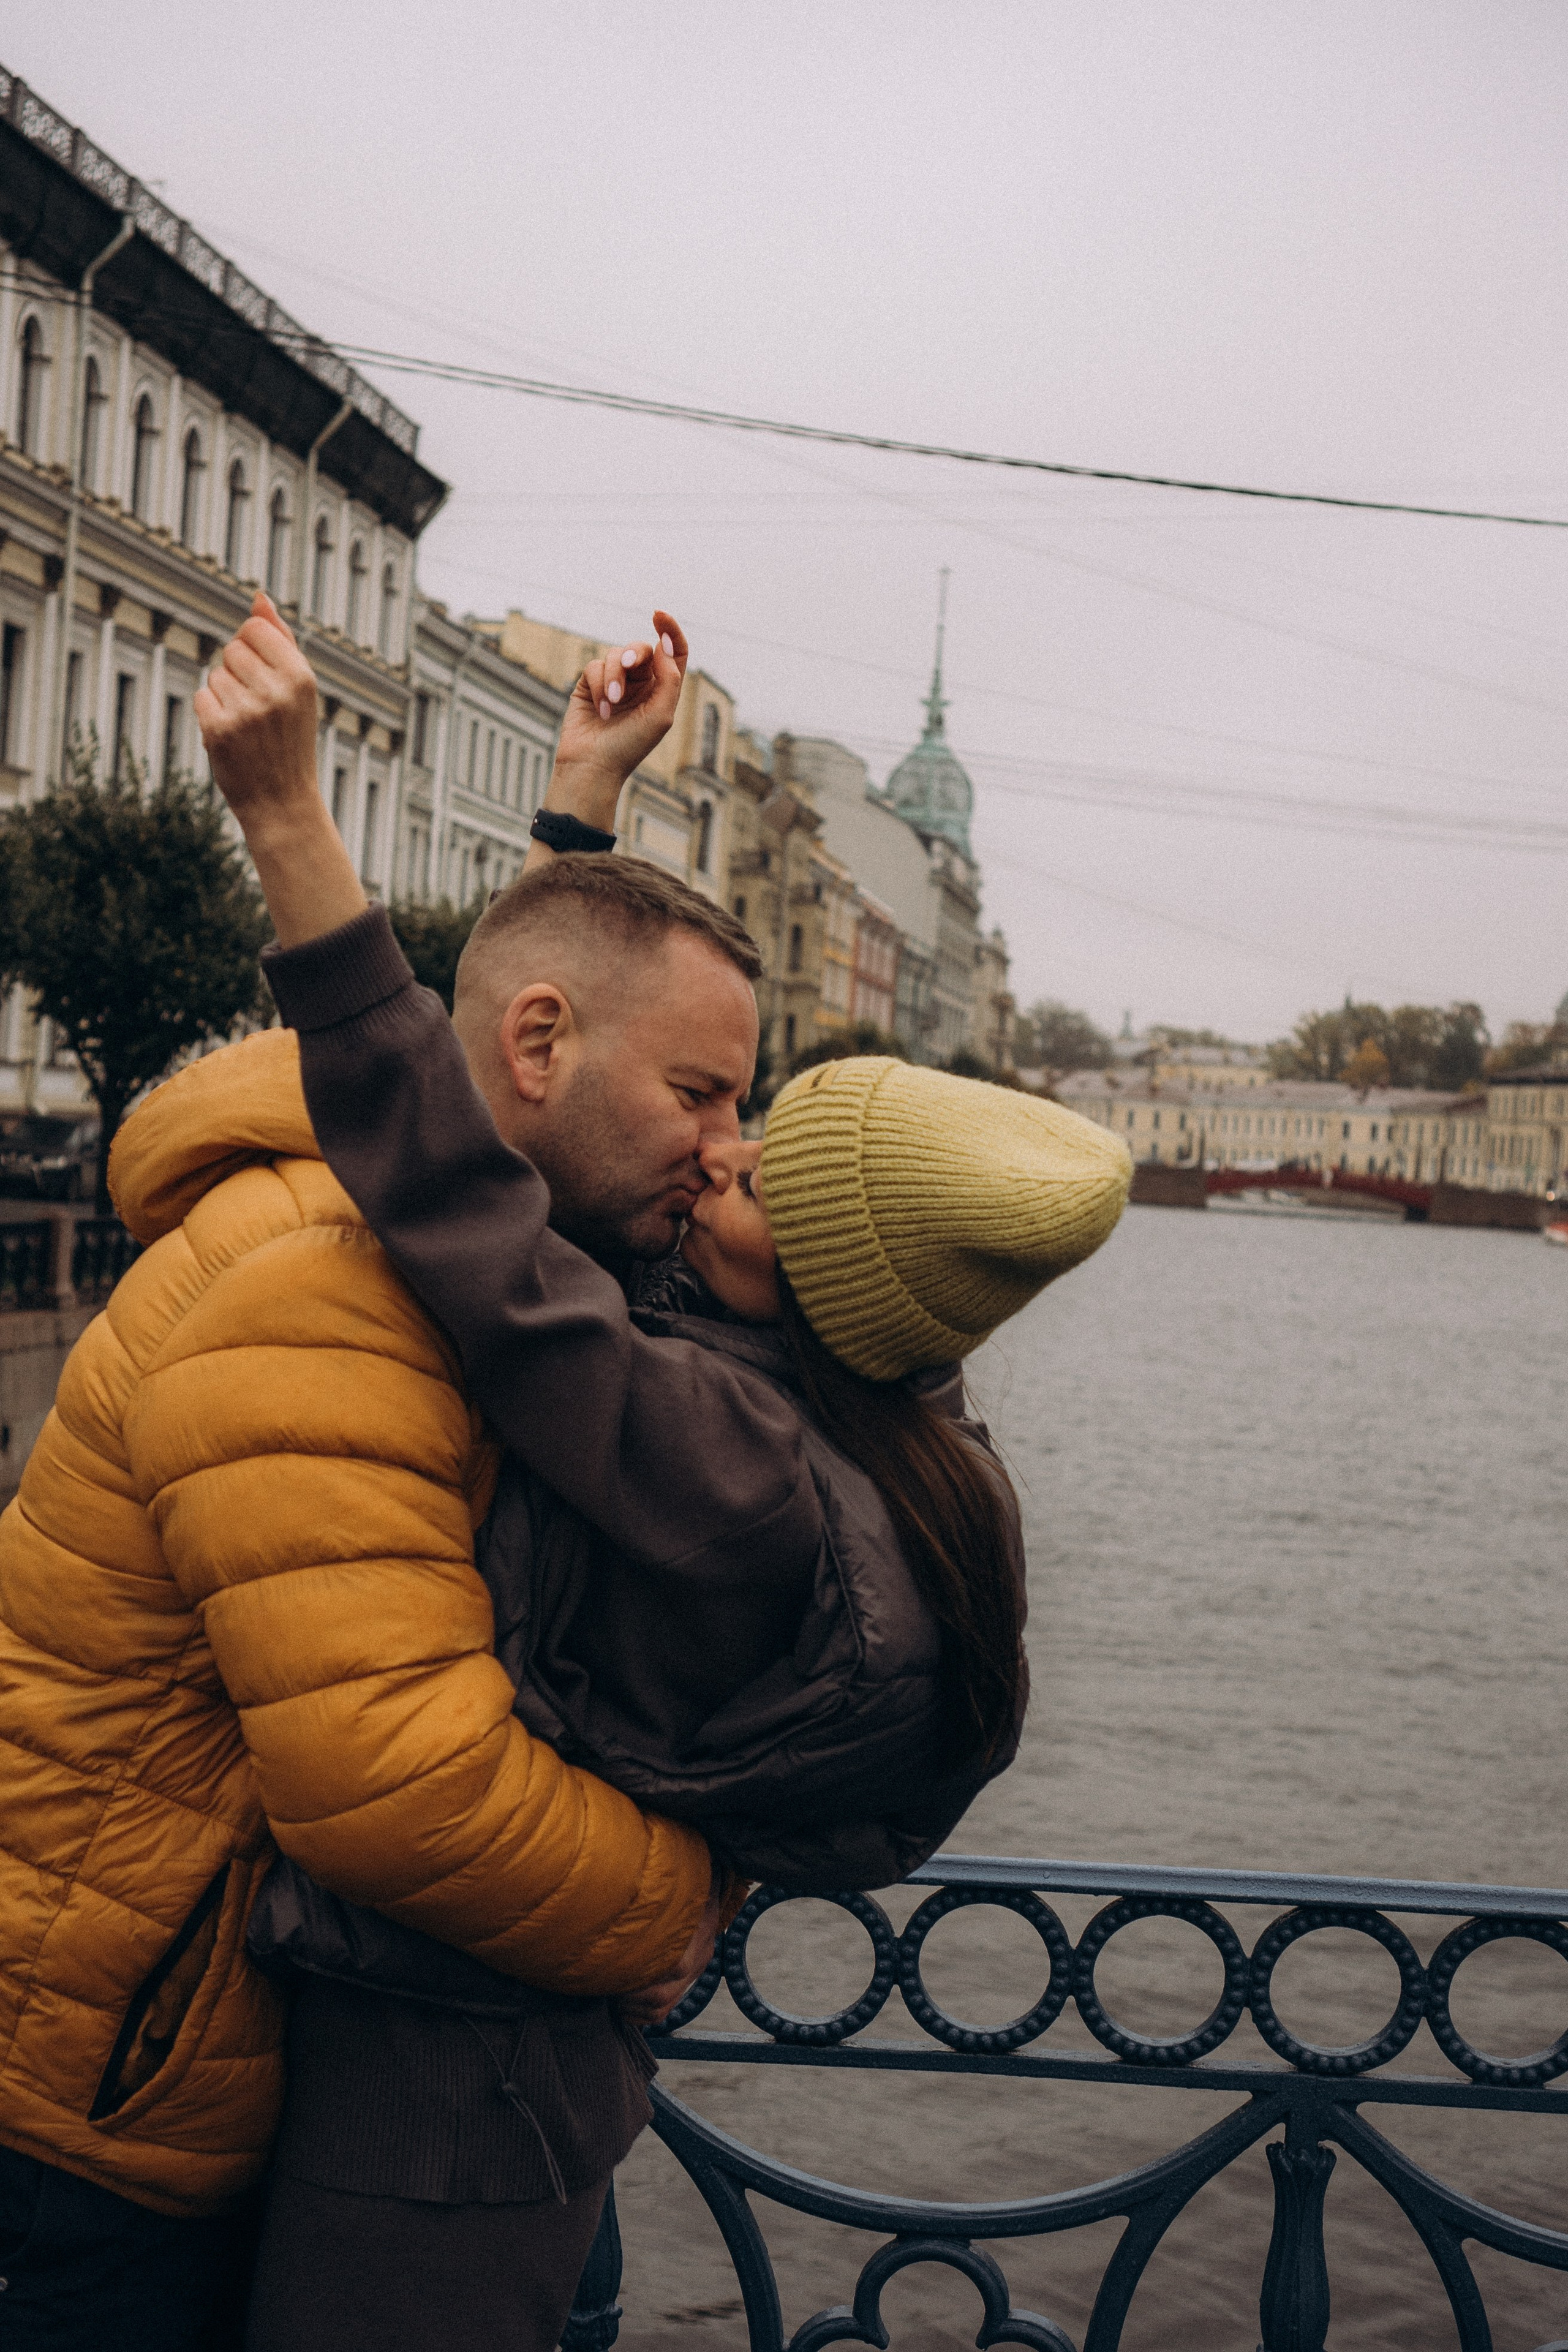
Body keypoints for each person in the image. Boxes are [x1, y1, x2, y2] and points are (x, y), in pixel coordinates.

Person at [193, 594, 1131, 2350]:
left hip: (446, 2105)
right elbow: (551, 1108)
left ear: (830, 1286)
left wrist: (292, 835)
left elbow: (481, 1220)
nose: (713, 1164)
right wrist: (582, 812)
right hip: (513, 2070)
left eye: (760, 1170)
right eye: (726, 1116)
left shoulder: (733, 1467)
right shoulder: (835, 1411)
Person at [0, 621, 744, 2348]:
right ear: (544, 1055)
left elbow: (493, 1049)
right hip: (82, 2106)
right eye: (703, 1092)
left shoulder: (411, 1208)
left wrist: (578, 812)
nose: (727, 1148)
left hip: (156, 2044)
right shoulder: (327, 1281)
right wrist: (674, 1904)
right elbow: (395, 1785)